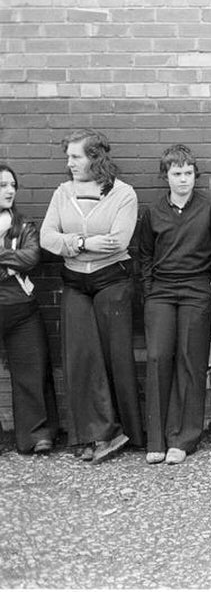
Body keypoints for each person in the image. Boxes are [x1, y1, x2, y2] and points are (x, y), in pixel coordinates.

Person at [40, 128, 144, 463]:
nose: (69, 163)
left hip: (113, 281)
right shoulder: (62, 192)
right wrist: (84, 244)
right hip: (74, 283)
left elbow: (118, 242)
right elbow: (46, 238)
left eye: (76, 156)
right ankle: (93, 434)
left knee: (115, 356)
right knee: (81, 358)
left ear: (95, 157)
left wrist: (69, 242)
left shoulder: (123, 194)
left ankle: (126, 432)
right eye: (68, 156)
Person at [137, 145, 211, 465]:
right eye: (177, 173)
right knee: (159, 357)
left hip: (196, 290)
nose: (183, 179)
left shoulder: (210, 208)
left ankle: (184, 439)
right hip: (161, 291)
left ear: (195, 175)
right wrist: (149, 290)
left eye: (188, 173)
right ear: (166, 176)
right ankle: (157, 440)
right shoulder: (153, 211)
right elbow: (145, 254)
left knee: (190, 361)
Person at [0, 164, 59, 454]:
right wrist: (9, 264)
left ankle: (37, 436)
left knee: (31, 370)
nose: (10, 190)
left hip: (21, 309)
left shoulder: (24, 225)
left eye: (12, 185)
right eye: (2, 185)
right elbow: (17, 260)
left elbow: (31, 257)